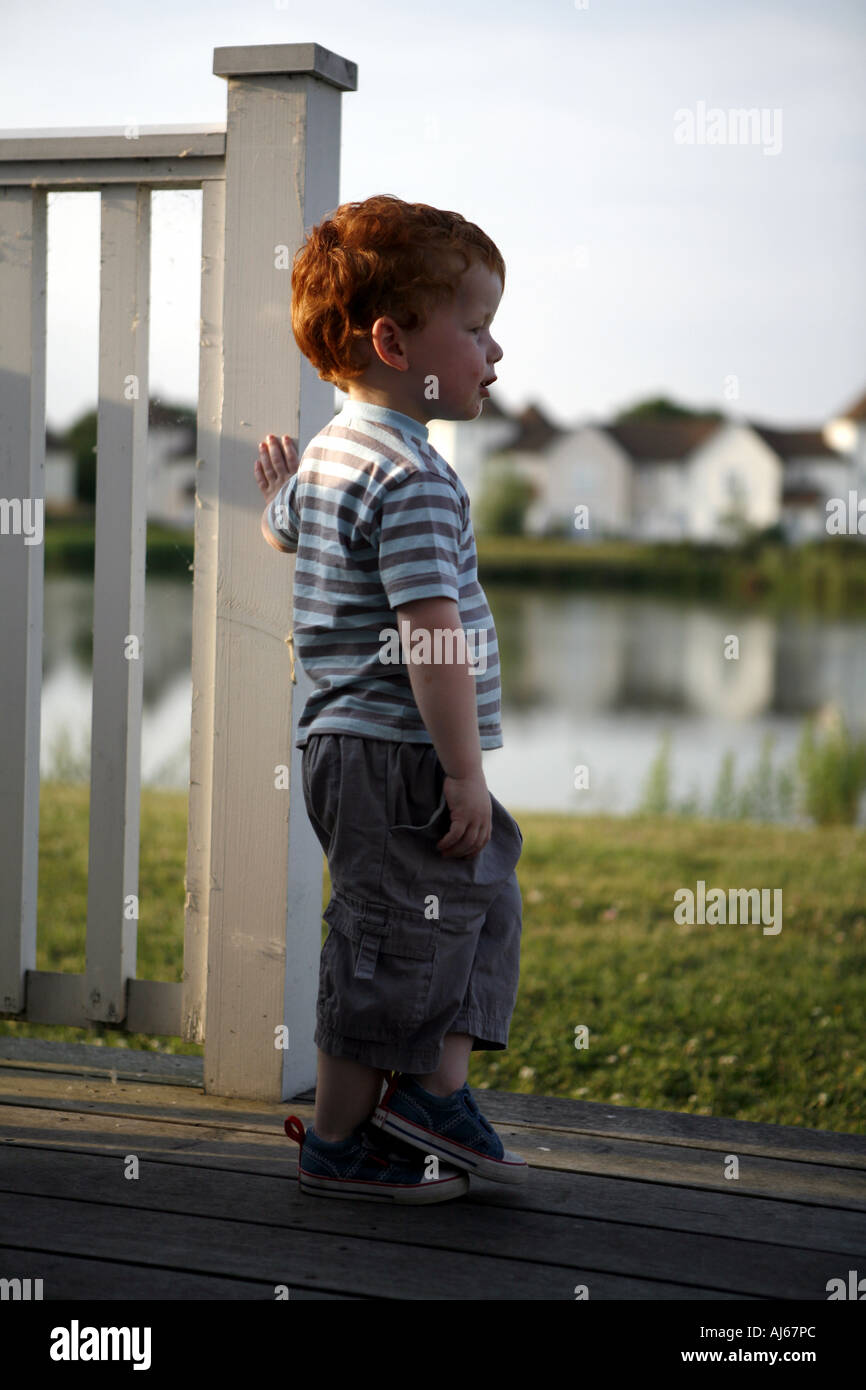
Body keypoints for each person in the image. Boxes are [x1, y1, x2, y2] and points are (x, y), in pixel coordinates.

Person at [253, 194, 527, 1204]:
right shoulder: (412, 475)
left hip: (355, 747)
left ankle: (426, 1090)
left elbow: (286, 526)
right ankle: (342, 1137)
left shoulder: (335, 451)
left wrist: (274, 492)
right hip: (397, 747)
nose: (492, 354)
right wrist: (461, 767)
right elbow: (429, 633)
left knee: (477, 889)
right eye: (474, 327)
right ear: (391, 338)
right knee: (388, 933)